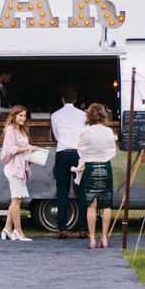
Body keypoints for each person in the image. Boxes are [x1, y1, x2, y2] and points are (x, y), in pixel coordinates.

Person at [74, 103, 117, 249]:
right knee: (106, 205)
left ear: (89, 115)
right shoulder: (108, 131)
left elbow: (80, 150)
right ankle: (104, 237)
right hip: (105, 167)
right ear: (103, 114)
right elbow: (112, 150)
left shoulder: (84, 132)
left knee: (91, 205)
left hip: (90, 167)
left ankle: (92, 238)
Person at [50, 85, 88, 239]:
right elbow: (85, 134)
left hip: (62, 153)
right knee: (81, 191)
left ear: (62, 99)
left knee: (62, 191)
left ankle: (62, 229)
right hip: (78, 153)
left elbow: (56, 135)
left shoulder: (55, 115)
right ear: (76, 99)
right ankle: (83, 228)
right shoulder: (83, 115)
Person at [0, 105, 38, 241]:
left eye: (24, 116)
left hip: (20, 166)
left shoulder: (21, 130)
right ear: (14, 116)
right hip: (13, 168)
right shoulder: (10, 129)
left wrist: (30, 157)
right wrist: (28, 148)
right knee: (16, 200)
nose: (23, 118)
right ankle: (18, 231)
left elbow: (21, 151)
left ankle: (7, 228)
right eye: (20, 115)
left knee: (18, 199)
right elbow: (10, 149)